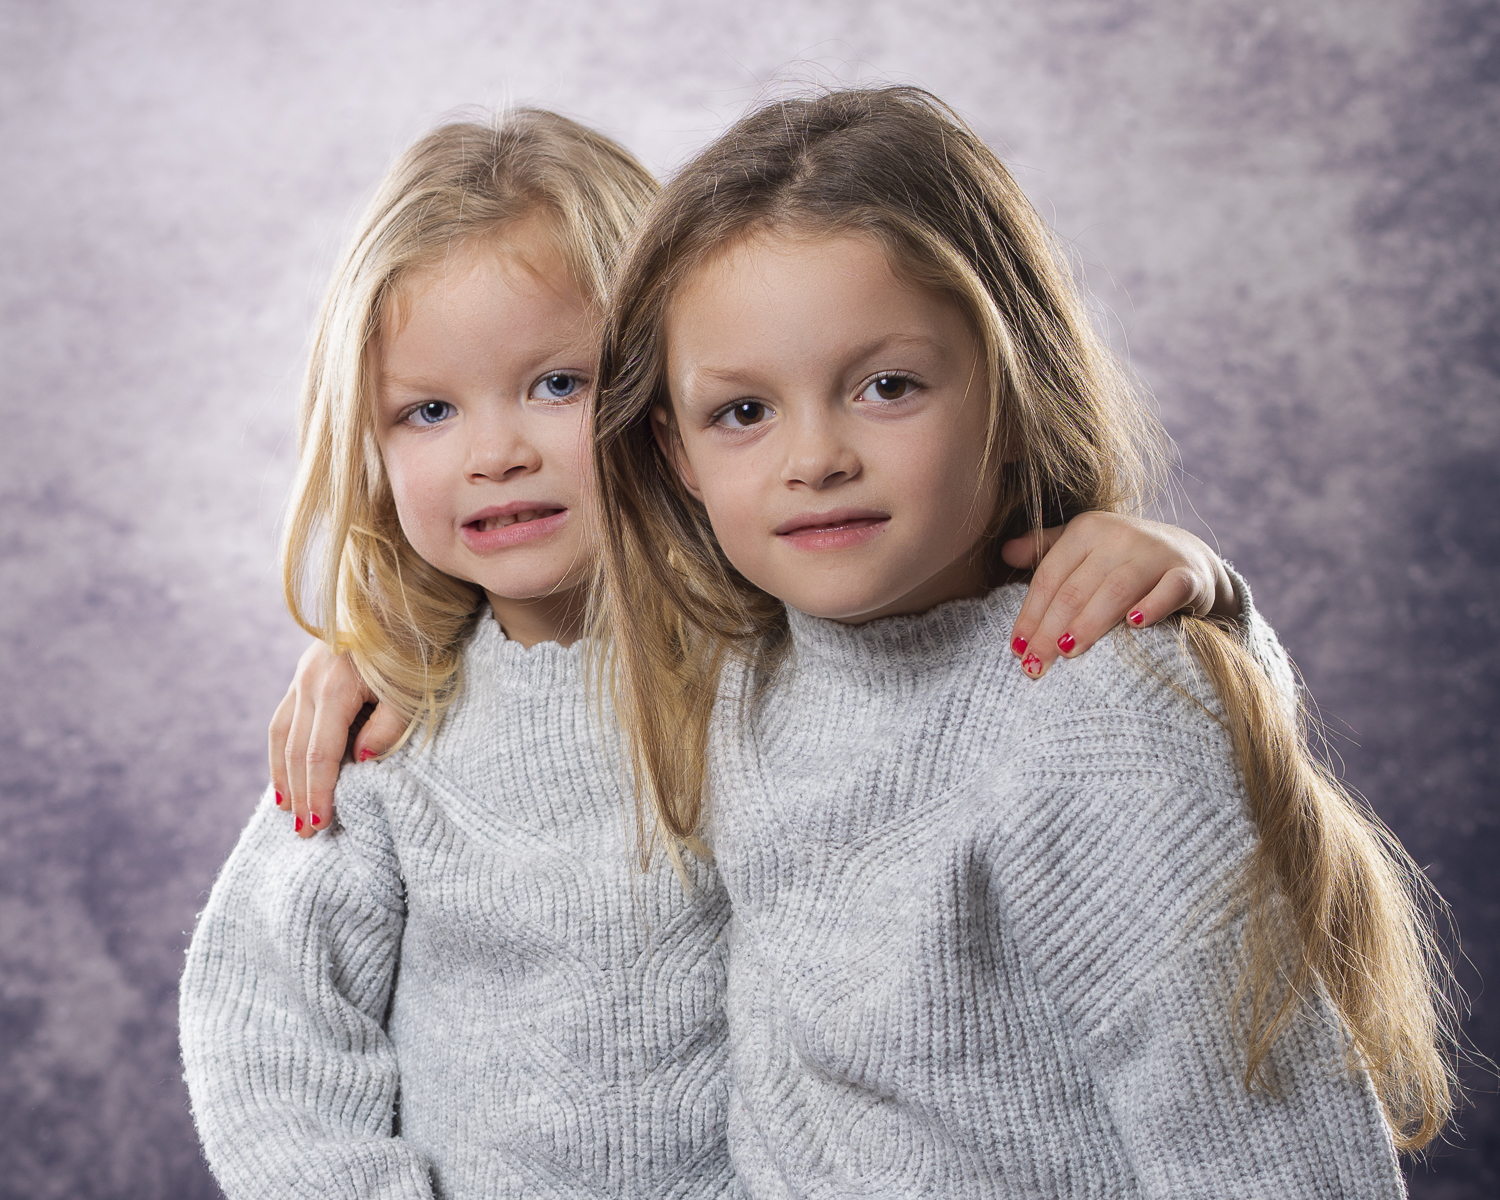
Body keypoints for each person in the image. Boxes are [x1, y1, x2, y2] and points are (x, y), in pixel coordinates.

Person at [591, 86, 1454, 1197]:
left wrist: (1219, 626)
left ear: (1014, 391)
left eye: (888, 386)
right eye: (743, 413)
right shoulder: (738, 676)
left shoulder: (1089, 705)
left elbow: (1272, 1161)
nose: (813, 457)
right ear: (676, 454)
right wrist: (368, 663)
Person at [179, 111, 738, 1200]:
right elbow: (266, 1033)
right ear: (368, 446)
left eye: (558, 385)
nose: (496, 454)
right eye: (428, 410)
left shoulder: (787, 670)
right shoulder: (391, 731)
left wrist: (1162, 563)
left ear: (672, 388)